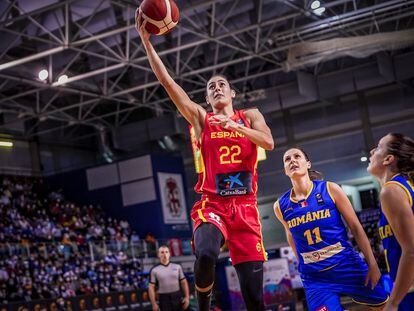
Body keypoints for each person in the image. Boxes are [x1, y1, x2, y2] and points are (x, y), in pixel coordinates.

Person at [136, 9, 274, 311]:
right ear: (207, 99)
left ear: (233, 93)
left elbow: (269, 142)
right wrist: (147, 43)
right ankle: (203, 305)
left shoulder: (249, 116)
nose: (216, 88)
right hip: (213, 205)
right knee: (208, 253)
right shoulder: (202, 118)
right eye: (211, 87)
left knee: (254, 300)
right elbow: (169, 85)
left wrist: (238, 127)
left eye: (222, 84)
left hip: (247, 210)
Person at [274, 148, 389, 311]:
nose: (292, 160)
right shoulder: (280, 205)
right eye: (287, 159)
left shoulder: (330, 189)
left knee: (384, 306)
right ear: (285, 170)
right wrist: (303, 263)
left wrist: (372, 264)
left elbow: (355, 227)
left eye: (297, 156)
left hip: (346, 265)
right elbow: (291, 236)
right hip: (315, 278)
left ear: (308, 164)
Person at [367, 133, 414, 311]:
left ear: (388, 159)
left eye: (378, 147)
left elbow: (411, 250)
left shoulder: (392, 190)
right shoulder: (405, 186)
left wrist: (393, 302)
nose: (372, 151)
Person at [148, 246, 190, 311]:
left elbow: (184, 282)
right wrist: (153, 304)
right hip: (163, 299)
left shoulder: (177, 266)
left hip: (177, 297)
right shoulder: (154, 270)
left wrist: (187, 297)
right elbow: (151, 287)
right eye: (162, 252)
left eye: (166, 252)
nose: (164, 254)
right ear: (158, 254)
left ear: (169, 254)